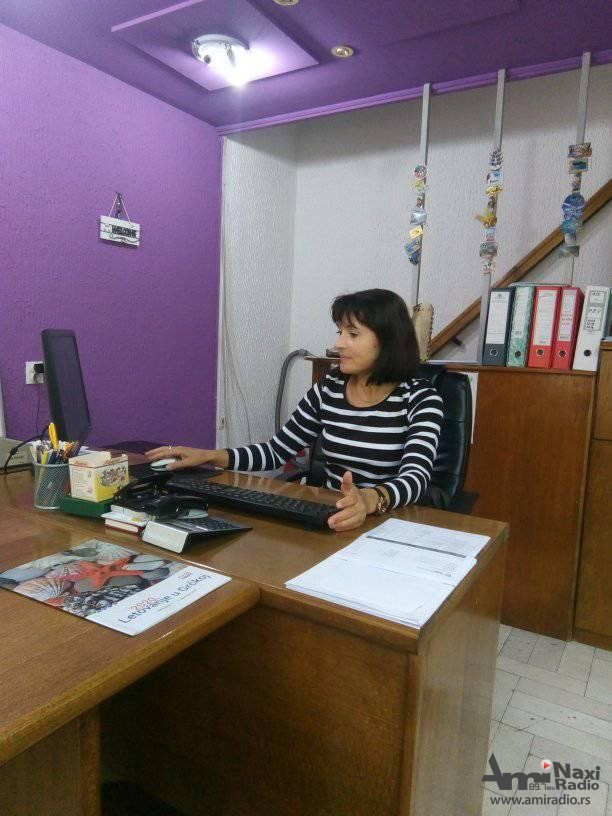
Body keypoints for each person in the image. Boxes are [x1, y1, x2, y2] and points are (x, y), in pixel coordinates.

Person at [147, 289, 443, 531]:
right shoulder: (328, 390)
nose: (338, 344)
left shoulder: (420, 398)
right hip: (333, 515)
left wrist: (368, 500)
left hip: (390, 522)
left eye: (353, 334)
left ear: (388, 342)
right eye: (340, 332)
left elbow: (416, 477)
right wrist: (210, 456)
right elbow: (276, 451)